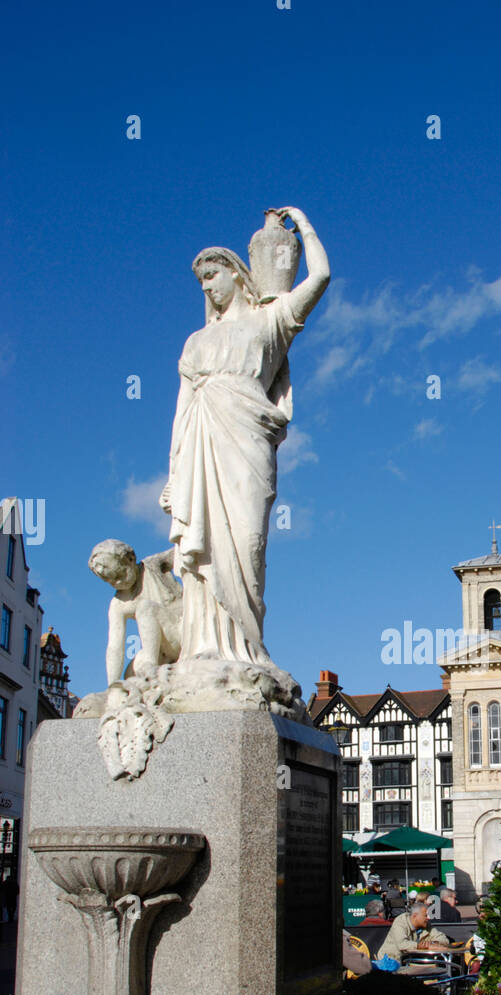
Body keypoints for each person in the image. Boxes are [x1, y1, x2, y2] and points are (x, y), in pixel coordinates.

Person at [160, 207, 329, 672]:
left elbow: (321, 276)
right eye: (201, 283)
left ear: (237, 273)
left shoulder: (269, 322)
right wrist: (174, 475)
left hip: (248, 443)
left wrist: (304, 224)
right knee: (206, 548)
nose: (208, 287)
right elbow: (181, 412)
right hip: (201, 447)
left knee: (248, 543)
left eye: (213, 276)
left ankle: (247, 649)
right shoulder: (195, 343)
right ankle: (205, 651)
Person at [88, 540, 182, 684]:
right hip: (164, 651)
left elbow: (182, 549)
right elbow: (115, 646)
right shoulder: (118, 604)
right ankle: (151, 668)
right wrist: (112, 685)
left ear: (130, 559)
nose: (118, 583)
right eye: (110, 581)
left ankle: (152, 666)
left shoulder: (152, 565)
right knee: (131, 673)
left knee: (145, 607)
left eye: (120, 575)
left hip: (182, 630)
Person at [376, 899, 450, 963]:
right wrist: (419, 946)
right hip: (390, 962)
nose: (429, 918)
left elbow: (443, 939)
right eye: (426, 915)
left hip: (411, 962)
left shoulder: (426, 925)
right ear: (415, 916)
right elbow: (402, 945)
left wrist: (432, 943)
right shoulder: (400, 922)